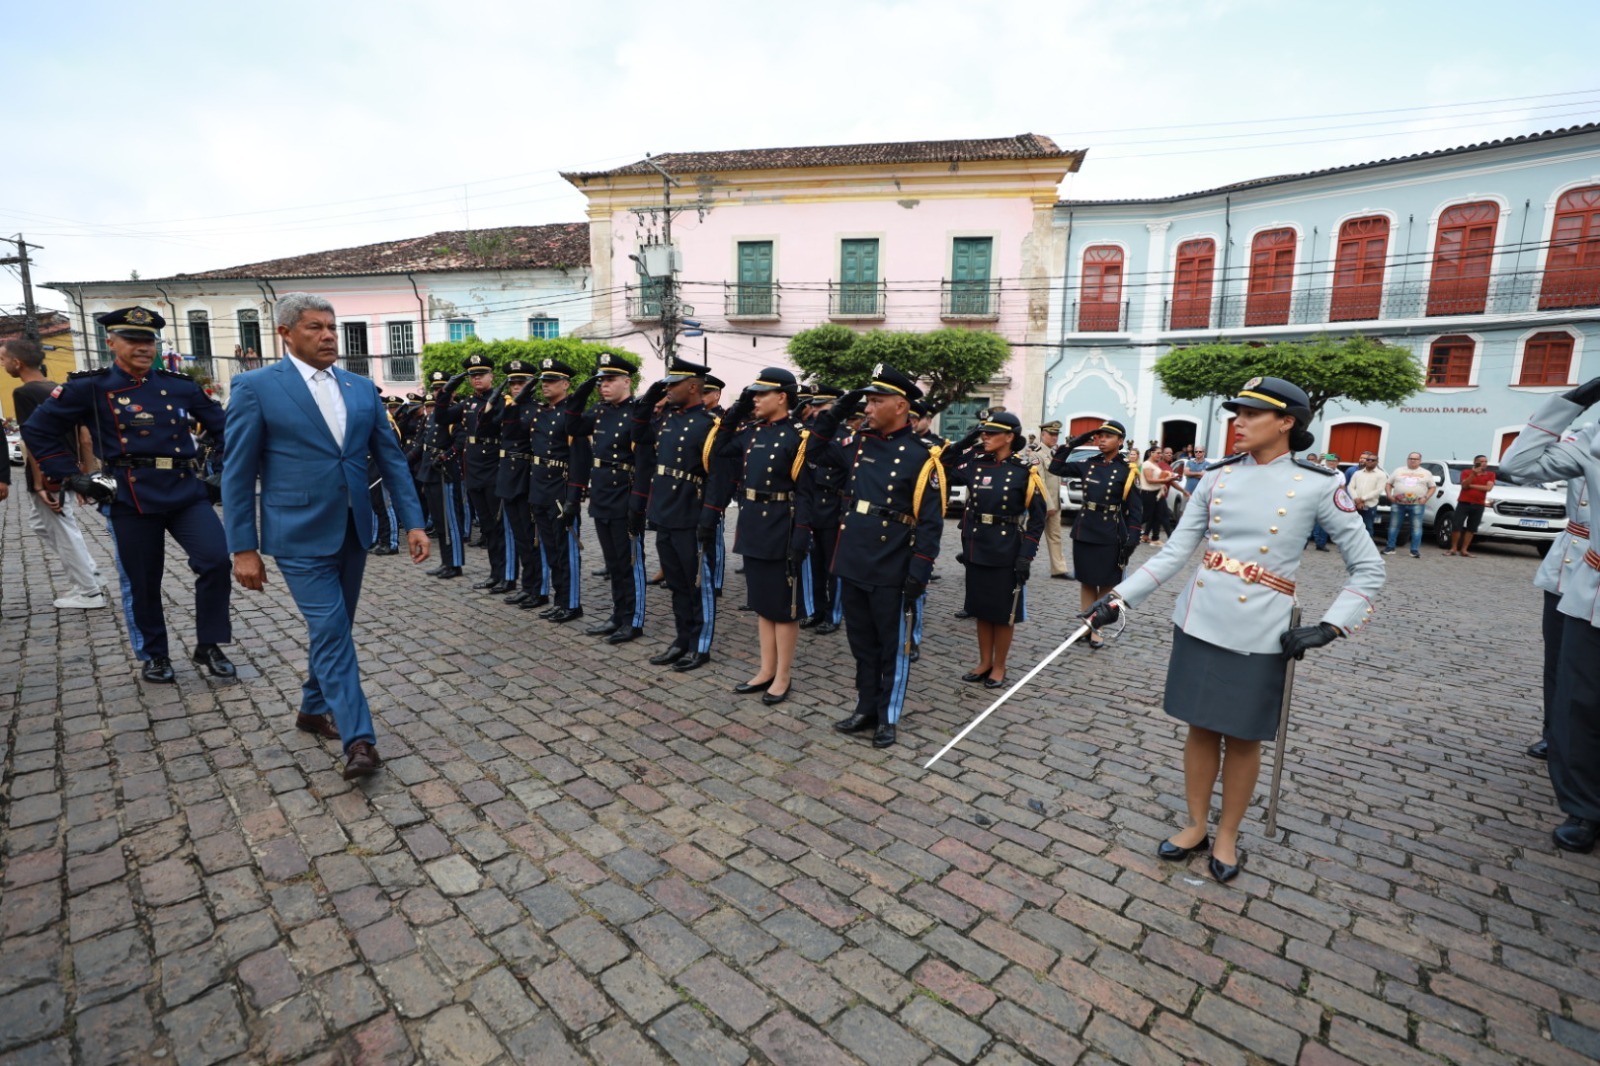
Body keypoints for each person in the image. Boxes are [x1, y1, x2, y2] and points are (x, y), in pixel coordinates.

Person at [1082, 377, 1384, 883]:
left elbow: (1369, 568)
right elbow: (1177, 552)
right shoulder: (1217, 478)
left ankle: (1228, 834)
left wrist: (1332, 626)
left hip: (1262, 629)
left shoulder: (1320, 484)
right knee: (1200, 727)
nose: (1238, 422)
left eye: (1251, 414)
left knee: (1243, 737)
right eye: (1237, 412)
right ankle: (1197, 823)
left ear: (1287, 422)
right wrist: (1118, 599)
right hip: (1200, 618)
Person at [222, 293, 430, 781]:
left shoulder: (359, 388)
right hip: (295, 533)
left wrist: (414, 522)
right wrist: (242, 547)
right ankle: (360, 739)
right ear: (286, 334)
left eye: (331, 326)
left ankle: (312, 710)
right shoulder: (255, 388)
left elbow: (391, 459)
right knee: (333, 631)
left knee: (334, 631)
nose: (328, 335)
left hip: (353, 530)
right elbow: (237, 473)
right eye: (314, 327)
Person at [22, 307, 234, 684]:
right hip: (130, 496)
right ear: (111, 342)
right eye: (133, 339)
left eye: (149, 340)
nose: (142, 347)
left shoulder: (178, 384)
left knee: (216, 560)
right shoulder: (90, 386)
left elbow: (225, 429)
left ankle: (210, 643)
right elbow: (39, 430)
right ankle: (154, 654)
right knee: (143, 579)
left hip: (186, 491)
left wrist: (221, 471)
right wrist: (71, 477)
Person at [805, 363, 945, 748]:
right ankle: (865, 706)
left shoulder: (923, 456)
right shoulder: (858, 444)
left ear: (900, 406)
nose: (867, 409)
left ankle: (888, 716)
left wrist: (919, 572)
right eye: (866, 401)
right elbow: (814, 449)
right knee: (861, 643)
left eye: (876, 401)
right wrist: (836, 409)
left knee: (892, 646)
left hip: (892, 562)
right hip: (853, 557)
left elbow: (931, 522)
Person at [1498, 377, 1600, 850]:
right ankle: (1583, 802)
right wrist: (1572, 402)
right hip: (1585, 574)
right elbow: (1517, 466)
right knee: (1573, 688)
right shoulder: (1593, 438)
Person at [706, 368, 813, 704]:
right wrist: (736, 407)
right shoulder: (751, 432)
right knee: (762, 604)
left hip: (782, 525)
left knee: (784, 607)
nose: (755, 398)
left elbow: (808, 493)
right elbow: (720, 448)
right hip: (753, 524)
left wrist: (801, 538)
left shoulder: (799, 437)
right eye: (752, 393)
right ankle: (766, 669)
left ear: (782, 397)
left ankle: (783, 676)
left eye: (761, 394)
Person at [630, 356, 721, 672]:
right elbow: (638, 431)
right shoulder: (667, 420)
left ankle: (701, 645)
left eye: (674, 384)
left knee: (698, 584)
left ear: (693, 386)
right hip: (665, 512)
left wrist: (708, 518)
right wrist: (651, 394)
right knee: (678, 584)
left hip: (690, 514)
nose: (668, 388)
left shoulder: (710, 425)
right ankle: (682, 638)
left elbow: (718, 479)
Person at [2, 336, 105, 609]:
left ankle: (89, 591)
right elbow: (84, 437)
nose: (2, 365)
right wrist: (86, 475)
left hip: (48, 471)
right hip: (67, 468)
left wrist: (39, 484)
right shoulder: (59, 389)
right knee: (43, 524)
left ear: (17, 362)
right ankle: (90, 572)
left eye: (2, 359)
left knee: (62, 528)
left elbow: (33, 440)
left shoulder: (24, 393)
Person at [945, 412, 1047, 688]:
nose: (985, 436)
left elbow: (1039, 518)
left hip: (1006, 549)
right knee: (981, 608)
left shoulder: (1025, 470)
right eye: (983, 432)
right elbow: (944, 466)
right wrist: (970, 441)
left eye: (991, 433)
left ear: (1010, 437)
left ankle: (999, 666)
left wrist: (1026, 555)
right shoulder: (977, 465)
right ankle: (983, 662)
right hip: (978, 546)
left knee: (1003, 613)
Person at [566, 352, 646, 643]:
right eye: (601, 381)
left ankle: (633, 620)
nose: (604, 386)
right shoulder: (599, 411)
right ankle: (618, 615)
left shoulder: (637, 412)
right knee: (613, 563)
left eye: (610, 380)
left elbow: (645, 460)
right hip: (601, 493)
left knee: (630, 561)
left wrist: (639, 501)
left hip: (624, 492)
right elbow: (572, 426)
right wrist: (583, 389)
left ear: (627, 381)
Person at [1049, 419, 1143, 650]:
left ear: (1120, 441)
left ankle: (1097, 628)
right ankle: (1087, 625)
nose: (1102, 440)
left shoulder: (1126, 470)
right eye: (1099, 436)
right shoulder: (1089, 464)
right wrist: (1078, 440)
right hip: (1085, 528)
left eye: (1108, 436)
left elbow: (1136, 509)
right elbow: (1056, 467)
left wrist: (1133, 536)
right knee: (1087, 579)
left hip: (1110, 530)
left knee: (1107, 583)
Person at [527, 358, 584, 623]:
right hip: (539, 486)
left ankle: (571, 604)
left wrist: (574, 496)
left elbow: (580, 458)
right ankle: (560, 599)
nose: (545, 386)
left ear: (565, 384)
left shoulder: (572, 415)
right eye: (543, 382)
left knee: (566, 549)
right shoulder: (542, 412)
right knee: (550, 548)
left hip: (560, 487)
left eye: (551, 381)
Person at [495, 361, 551, 610]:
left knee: (532, 538)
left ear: (531, 385)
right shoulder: (510, 408)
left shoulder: (538, 410)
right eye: (513, 383)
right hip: (509, 476)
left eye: (521, 383)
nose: (516, 387)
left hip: (527, 478)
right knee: (520, 537)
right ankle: (527, 586)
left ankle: (538, 589)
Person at [459, 356, 513, 591]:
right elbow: (441, 417)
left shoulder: (503, 401)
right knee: (487, 526)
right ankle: (495, 572)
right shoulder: (467, 402)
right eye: (473, 375)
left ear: (492, 377)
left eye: (481, 374)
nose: (477, 378)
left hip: (494, 468)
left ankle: (508, 575)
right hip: (475, 469)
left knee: (501, 525)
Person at [800, 385, 846, 634]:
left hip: (834, 507)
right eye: (815, 406)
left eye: (823, 406)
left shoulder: (844, 436)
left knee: (833, 567)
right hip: (812, 505)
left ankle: (834, 614)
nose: (817, 410)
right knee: (814, 565)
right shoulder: (810, 434)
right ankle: (816, 610)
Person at [415, 369, 469, 577]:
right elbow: (422, 443)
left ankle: (455, 563)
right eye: (436, 388)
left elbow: (460, 441)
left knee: (451, 520)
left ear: (451, 391)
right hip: (430, 470)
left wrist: (446, 456)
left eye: (442, 388)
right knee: (438, 520)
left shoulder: (454, 413)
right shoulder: (431, 416)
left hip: (445, 471)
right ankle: (446, 561)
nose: (438, 392)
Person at [1026, 421, 1071, 580]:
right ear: (1042, 435)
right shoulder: (1037, 454)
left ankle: (1058, 569)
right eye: (1051, 434)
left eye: (1056, 434)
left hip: (1054, 503)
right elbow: (1040, 482)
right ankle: (1018, 562)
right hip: (1042, 504)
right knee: (1029, 535)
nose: (1054, 437)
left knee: (1056, 536)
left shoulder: (1053, 454)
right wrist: (1048, 505)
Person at [1384, 452, 1436, 557]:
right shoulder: (1398, 470)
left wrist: (1425, 497)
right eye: (1410, 458)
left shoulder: (1426, 473)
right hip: (1398, 503)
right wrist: (1389, 495)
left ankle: (1414, 550)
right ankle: (1390, 547)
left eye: (1415, 459)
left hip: (1417, 504)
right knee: (1394, 526)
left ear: (1420, 461)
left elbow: (1432, 487)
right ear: (1407, 459)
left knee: (1416, 527)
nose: (1412, 460)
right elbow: (1388, 484)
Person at [1448, 455, 1496, 557]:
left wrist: (1471, 486)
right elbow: (1464, 486)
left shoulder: (1490, 474)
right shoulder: (1466, 472)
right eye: (1481, 461)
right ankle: (1453, 548)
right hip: (1464, 503)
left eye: (1485, 461)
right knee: (1457, 525)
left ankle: (1464, 550)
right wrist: (1473, 474)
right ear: (1475, 462)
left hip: (1479, 504)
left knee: (1472, 528)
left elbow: (1488, 488)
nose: (1483, 463)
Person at [1347, 452, 1387, 538]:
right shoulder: (1358, 473)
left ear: (1377, 462)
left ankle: (1366, 549)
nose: (1369, 461)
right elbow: (1350, 487)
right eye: (1368, 459)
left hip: (1369, 505)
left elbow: (1379, 490)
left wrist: (1362, 499)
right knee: (1352, 527)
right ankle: (1351, 547)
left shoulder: (1381, 474)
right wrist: (1356, 499)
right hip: (1355, 504)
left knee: (1368, 527)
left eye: (1372, 460)